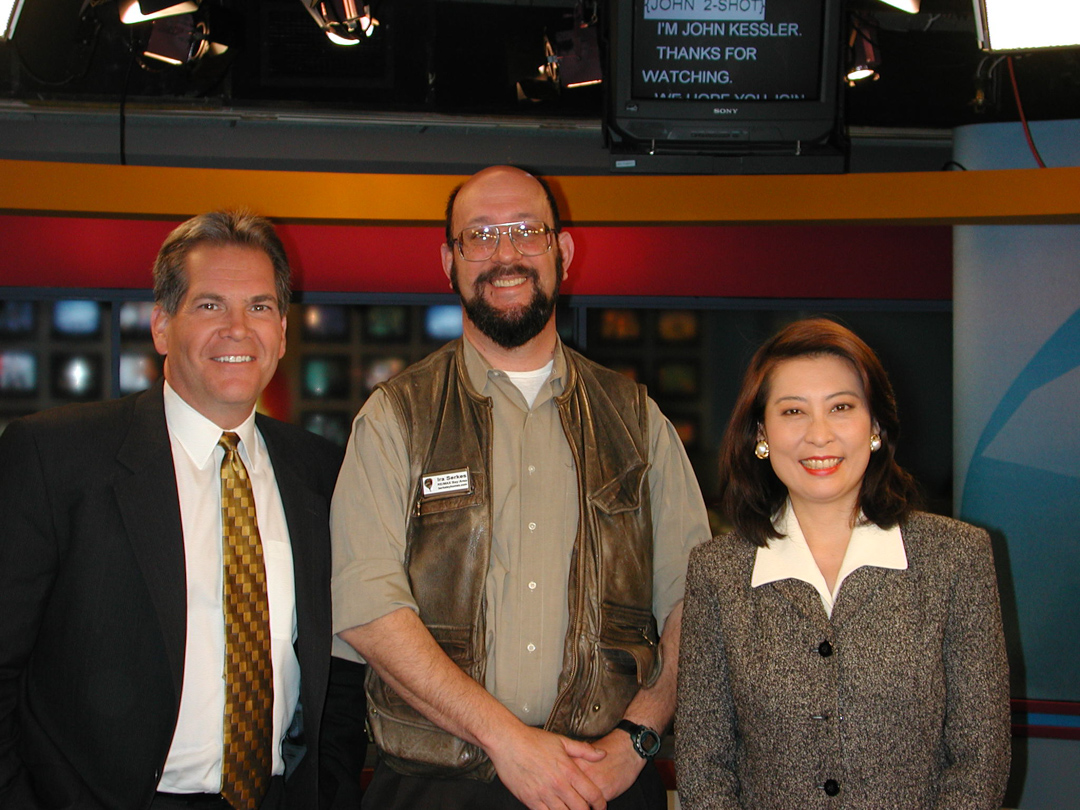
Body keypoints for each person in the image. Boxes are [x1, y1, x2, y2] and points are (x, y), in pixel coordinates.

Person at [331, 165, 710, 810]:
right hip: (437, 786)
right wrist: (507, 740)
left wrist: (638, 741)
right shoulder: (396, 417)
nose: (504, 254)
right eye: (479, 237)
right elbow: (368, 608)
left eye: (525, 231)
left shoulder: (636, 419)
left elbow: (695, 602)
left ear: (562, 251)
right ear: (448, 260)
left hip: (605, 780)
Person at [0, 210, 345, 810]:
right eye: (210, 306)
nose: (238, 329)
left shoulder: (321, 471)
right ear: (162, 326)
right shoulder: (53, 457)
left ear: (284, 332)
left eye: (260, 307)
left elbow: (336, 670)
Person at [675, 318, 1011, 810]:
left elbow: (979, 758)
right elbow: (704, 766)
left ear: (875, 427)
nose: (819, 435)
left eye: (841, 408)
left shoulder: (957, 559)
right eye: (793, 411)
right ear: (760, 434)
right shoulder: (717, 572)